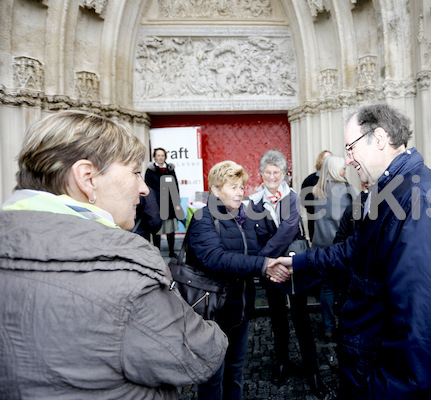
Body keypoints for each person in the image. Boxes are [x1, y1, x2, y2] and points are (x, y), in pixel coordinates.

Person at [0, 110, 228, 399]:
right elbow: (201, 353)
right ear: (87, 178)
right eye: (135, 172)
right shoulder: (125, 271)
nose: (144, 188)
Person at [270, 103, 431, 399]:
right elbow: (356, 249)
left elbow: (425, 328)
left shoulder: (419, 201)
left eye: (350, 148)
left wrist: (381, 391)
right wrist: (300, 262)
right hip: (370, 359)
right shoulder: (390, 191)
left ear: (381, 138)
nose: (347, 160)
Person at [186, 160, 290, 400]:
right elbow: (215, 258)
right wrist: (263, 266)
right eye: (233, 186)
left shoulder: (246, 219)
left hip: (241, 310)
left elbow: (258, 255)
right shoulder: (203, 218)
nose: (240, 191)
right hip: (212, 314)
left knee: (235, 373)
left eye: (241, 186)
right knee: (212, 379)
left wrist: (279, 268)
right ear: (215, 189)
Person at [249, 149, 326, 398]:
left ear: (284, 174)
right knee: (278, 320)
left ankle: (313, 370)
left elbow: (287, 231)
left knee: (302, 320)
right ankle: (282, 363)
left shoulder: (292, 198)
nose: (272, 176)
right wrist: (270, 267)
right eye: (268, 171)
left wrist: (265, 260)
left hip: (293, 269)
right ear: (261, 173)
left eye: (277, 172)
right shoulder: (253, 202)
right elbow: (254, 236)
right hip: (272, 273)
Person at [311, 155, 355, 342]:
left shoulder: (316, 190)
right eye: (343, 168)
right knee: (344, 289)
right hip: (340, 248)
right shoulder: (347, 190)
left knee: (327, 289)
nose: (346, 170)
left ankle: (328, 327)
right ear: (337, 169)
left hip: (321, 247)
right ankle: (344, 326)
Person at [145, 147, 181, 257]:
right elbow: (147, 188)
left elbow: (175, 186)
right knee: (157, 230)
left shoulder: (170, 169)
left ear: (165, 157)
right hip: (156, 204)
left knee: (170, 229)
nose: (160, 157)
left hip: (169, 204)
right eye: (158, 155)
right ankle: (157, 253)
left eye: (162, 155)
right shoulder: (150, 171)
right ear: (154, 157)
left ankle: (171, 252)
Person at [300, 149, 331, 241]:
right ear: (320, 161)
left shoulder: (339, 180)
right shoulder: (310, 180)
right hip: (316, 223)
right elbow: (304, 200)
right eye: (325, 158)